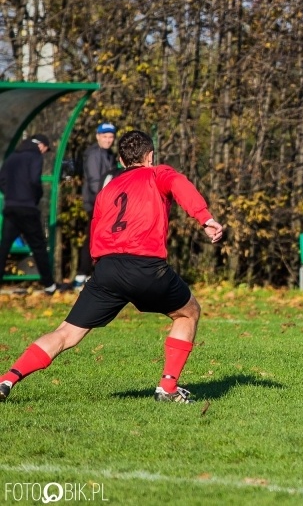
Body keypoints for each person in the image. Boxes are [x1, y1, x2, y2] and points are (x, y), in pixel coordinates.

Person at [0, 130, 224, 404]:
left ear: (120, 159)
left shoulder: (110, 188)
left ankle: (7, 379)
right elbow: (179, 184)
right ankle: (167, 388)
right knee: (188, 313)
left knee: (66, 333)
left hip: (107, 270)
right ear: (150, 156)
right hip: (145, 267)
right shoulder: (157, 173)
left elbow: (96, 228)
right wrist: (205, 219)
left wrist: (99, 265)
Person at [0, 134, 57, 294]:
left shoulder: (12, 157)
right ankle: (49, 285)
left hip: (11, 207)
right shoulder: (35, 157)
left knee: (4, 247)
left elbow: (1, 179)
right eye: (45, 149)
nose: (44, 152)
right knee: (38, 246)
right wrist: (35, 196)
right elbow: (34, 180)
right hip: (27, 209)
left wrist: (11, 194)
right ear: (41, 145)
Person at [74, 122, 117, 289]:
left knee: (101, 239)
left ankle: (92, 274)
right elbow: (94, 182)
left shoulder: (108, 154)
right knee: (92, 239)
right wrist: (105, 201)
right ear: (98, 136)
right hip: (96, 204)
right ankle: (81, 275)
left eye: (111, 137)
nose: (108, 140)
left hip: (104, 204)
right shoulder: (93, 154)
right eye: (105, 136)